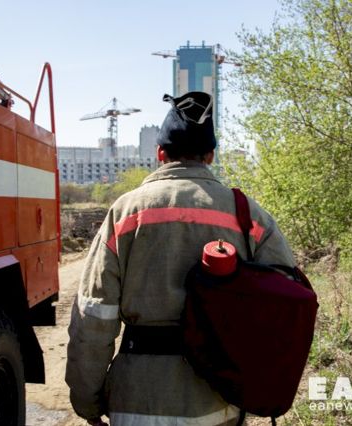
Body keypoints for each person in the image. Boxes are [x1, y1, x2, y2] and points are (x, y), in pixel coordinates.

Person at [65, 91, 296, 426]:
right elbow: (284, 302)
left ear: (160, 153)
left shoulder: (126, 213)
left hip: (137, 402)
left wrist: (87, 401)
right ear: (211, 156)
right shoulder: (248, 215)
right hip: (219, 400)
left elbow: (94, 317)